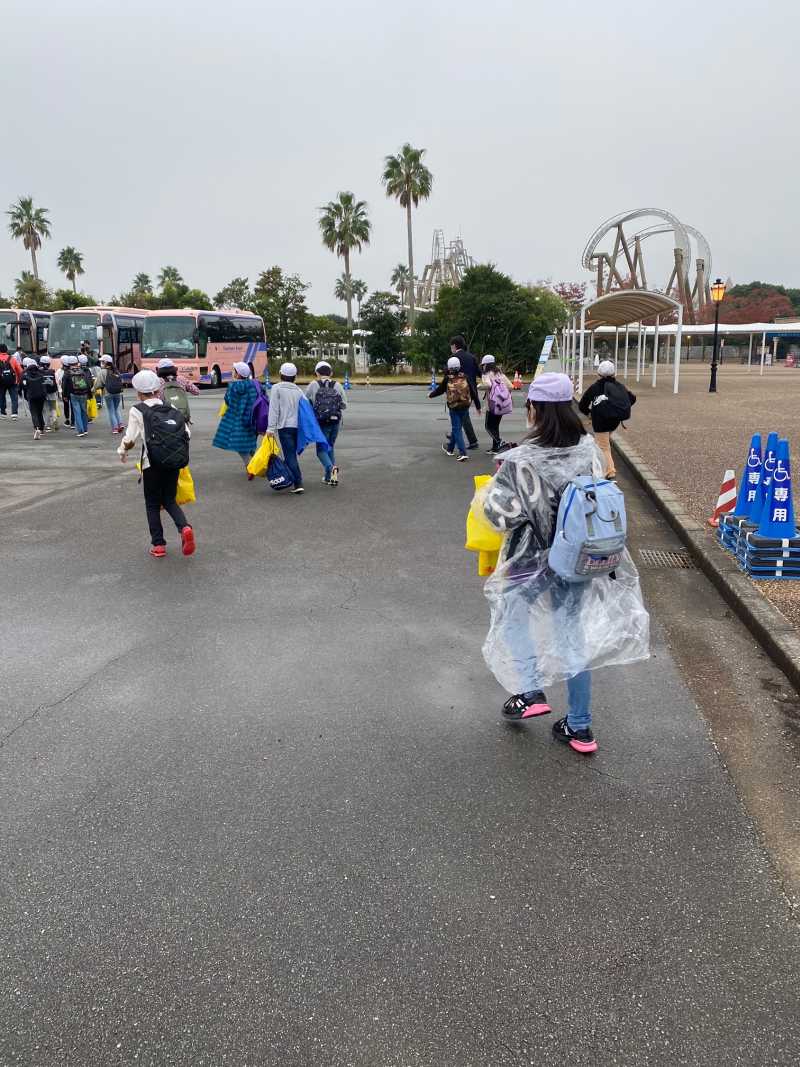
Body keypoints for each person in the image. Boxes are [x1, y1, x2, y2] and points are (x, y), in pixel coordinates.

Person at [480, 372, 649, 753]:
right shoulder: (588, 450)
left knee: (512, 610)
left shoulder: (520, 460)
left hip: (529, 559)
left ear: (536, 409)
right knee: (572, 633)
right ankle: (580, 725)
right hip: (577, 558)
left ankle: (530, 691)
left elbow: (498, 517)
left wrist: (495, 486)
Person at [117, 369, 195, 559]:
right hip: (173, 461)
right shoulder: (171, 407)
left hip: (151, 463)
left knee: (152, 503)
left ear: (138, 392)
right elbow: (187, 433)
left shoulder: (138, 410)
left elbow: (130, 439)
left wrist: (122, 452)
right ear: (157, 390)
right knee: (169, 499)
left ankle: (158, 545)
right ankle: (184, 527)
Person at [578, 360, 636, 479]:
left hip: (600, 422)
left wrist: (589, 413)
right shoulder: (619, 386)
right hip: (614, 421)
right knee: (602, 443)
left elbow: (582, 405)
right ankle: (597, 466)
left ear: (598, 374)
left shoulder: (594, 387)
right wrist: (619, 408)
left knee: (603, 446)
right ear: (614, 374)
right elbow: (632, 398)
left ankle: (609, 471)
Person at [429, 355, 479, 461]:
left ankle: (463, 452)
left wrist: (430, 395)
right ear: (459, 366)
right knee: (456, 428)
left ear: (449, 367)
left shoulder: (448, 378)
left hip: (454, 407)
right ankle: (450, 449)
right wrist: (478, 406)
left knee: (456, 429)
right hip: (465, 405)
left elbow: (440, 390)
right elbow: (473, 391)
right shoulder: (465, 376)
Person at [212, 361, 259, 470]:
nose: (233, 372)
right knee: (251, 441)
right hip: (253, 418)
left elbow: (228, 401)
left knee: (239, 444)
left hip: (237, 420)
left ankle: (250, 465)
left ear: (238, 374)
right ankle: (255, 462)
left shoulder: (233, 387)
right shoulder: (255, 385)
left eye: (234, 371)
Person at [306, 360, 346, 486]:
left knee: (321, 450)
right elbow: (344, 405)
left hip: (321, 422)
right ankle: (330, 478)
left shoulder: (313, 385)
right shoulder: (338, 385)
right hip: (335, 422)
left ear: (317, 373)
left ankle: (331, 468)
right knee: (330, 447)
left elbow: (305, 401)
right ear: (331, 373)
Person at [267, 362, 306, 493]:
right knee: (291, 454)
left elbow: (274, 410)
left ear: (280, 374)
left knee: (289, 455)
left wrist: (270, 428)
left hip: (284, 426)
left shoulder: (276, 388)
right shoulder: (298, 390)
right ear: (295, 376)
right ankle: (292, 478)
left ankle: (298, 483)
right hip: (297, 426)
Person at [449, 335, 481, 449]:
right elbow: (479, 373)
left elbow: (449, 374)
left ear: (454, 346)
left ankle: (472, 441)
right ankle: (455, 436)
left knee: (462, 415)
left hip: (459, 391)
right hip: (471, 390)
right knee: (462, 414)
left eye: (451, 346)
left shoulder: (454, 358)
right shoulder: (472, 357)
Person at [480, 354, 514, 453]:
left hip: (492, 404)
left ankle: (499, 442)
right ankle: (495, 448)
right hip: (501, 404)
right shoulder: (500, 374)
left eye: (483, 365)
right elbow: (511, 386)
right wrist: (503, 395)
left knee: (488, 426)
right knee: (495, 426)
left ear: (486, 365)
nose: (483, 367)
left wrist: (479, 386)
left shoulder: (486, 374)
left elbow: (488, 385)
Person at [92, 354, 126, 434]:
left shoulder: (103, 372)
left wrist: (93, 390)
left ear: (105, 362)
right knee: (116, 409)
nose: (101, 363)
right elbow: (121, 381)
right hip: (117, 392)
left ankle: (115, 428)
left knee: (111, 410)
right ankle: (120, 424)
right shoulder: (116, 371)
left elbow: (98, 383)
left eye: (102, 362)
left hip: (108, 392)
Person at [62, 355, 94, 437]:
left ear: (69, 364)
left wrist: (65, 396)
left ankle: (80, 431)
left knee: (77, 412)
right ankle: (85, 429)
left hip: (74, 394)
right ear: (77, 362)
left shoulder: (67, 373)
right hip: (84, 393)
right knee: (84, 411)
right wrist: (89, 394)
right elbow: (88, 383)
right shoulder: (82, 371)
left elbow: (64, 386)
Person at [21, 357, 48, 439]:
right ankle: (42, 428)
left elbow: (23, 386)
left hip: (31, 396)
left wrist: (24, 394)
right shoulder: (41, 373)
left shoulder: (25, 375)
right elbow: (45, 384)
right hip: (41, 396)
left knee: (34, 412)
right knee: (39, 412)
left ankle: (37, 428)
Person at [0, 343, 22, 419]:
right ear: (6, 350)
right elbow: (20, 371)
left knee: (1, 397)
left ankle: (3, 413)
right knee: (14, 398)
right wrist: (18, 380)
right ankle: (14, 414)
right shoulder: (12, 358)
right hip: (13, 381)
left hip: (1, 382)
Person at [38, 356, 59, 431]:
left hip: (43, 393)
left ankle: (48, 426)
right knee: (53, 408)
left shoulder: (39, 372)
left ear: (41, 363)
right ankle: (54, 420)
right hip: (52, 392)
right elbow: (56, 383)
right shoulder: (52, 372)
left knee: (45, 409)